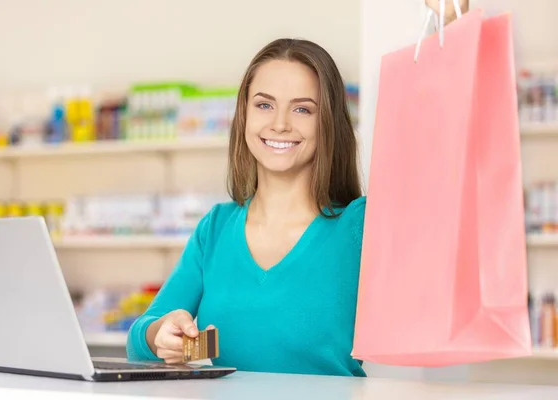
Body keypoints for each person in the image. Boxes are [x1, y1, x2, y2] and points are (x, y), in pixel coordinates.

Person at [127, 0, 469, 377]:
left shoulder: (361, 225)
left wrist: (450, 29)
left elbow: (439, 164)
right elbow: (141, 338)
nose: (280, 124)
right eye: (264, 105)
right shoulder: (216, 228)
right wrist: (161, 334)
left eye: (303, 109)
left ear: (328, 124)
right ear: (243, 115)